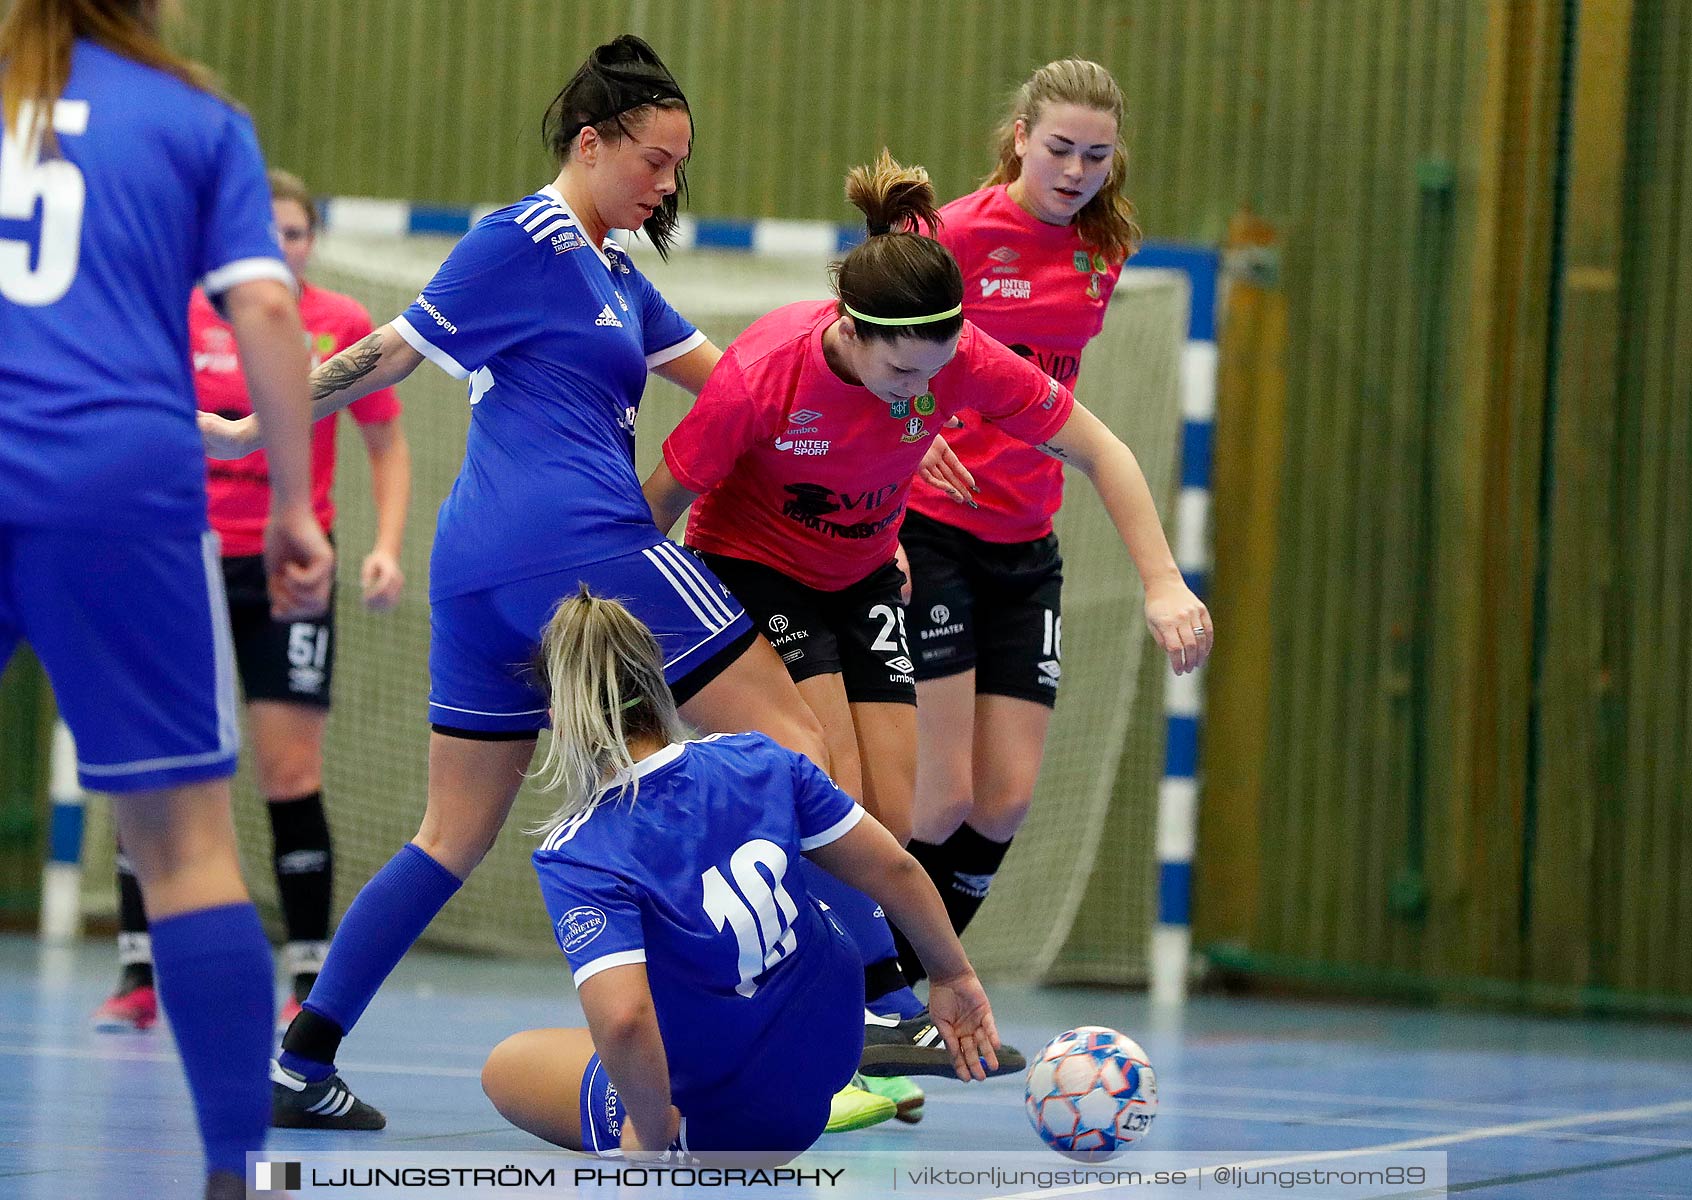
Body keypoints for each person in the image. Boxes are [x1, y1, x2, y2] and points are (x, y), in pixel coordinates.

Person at [198, 35, 946, 1133]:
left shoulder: (617, 279)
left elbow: (742, 389)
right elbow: (392, 352)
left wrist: (882, 430)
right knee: (802, 752)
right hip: (581, 545)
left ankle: (303, 1058)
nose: (668, 184)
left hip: (483, 574)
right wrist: (242, 426)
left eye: (680, 165)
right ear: (589, 144)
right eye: (652, 160)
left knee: (448, 835)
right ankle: (881, 1004)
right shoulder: (524, 239)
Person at [644, 149, 1212, 1120]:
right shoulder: (760, 378)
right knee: (829, 784)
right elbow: (654, 509)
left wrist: (1164, 580)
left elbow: (1098, 447)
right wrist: (602, 640)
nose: (924, 388)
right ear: (850, 333)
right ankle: (880, 1008)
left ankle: (846, 1013)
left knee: (898, 818)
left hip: (863, 571)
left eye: (940, 366)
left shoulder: (955, 358)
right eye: (904, 370)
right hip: (753, 571)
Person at [0, 2, 333, 1196]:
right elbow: (267, 308)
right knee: (187, 848)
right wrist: (294, 504)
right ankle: (231, 1173)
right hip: (118, 479)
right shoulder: (196, 118)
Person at [480, 588, 1002, 1160]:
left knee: (508, 1066)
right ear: (660, 681)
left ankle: (668, 1118)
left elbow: (626, 1018)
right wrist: (951, 975)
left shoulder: (581, 849)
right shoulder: (759, 759)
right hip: (826, 1060)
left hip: (730, 1126)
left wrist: (650, 1135)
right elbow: (896, 870)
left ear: (558, 719)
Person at [93, 168, 413, 1034]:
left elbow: (385, 445)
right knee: (159, 762)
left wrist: (383, 547)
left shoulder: (340, 326)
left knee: (288, 772)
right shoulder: (177, 313)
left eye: (296, 231)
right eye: (263, 227)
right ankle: (137, 968)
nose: (279, 243)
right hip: (177, 563)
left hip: (287, 570)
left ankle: (306, 975)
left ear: (313, 242)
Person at [893, 59, 1183, 983]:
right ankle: (868, 987)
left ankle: (905, 985)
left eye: (1097, 155)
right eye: (1059, 148)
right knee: (938, 799)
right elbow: (853, 341)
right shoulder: (955, 236)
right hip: (930, 530)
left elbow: (1075, 420)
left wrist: (1163, 581)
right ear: (1020, 136)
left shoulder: (1106, 251)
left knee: (1005, 801)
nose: (1076, 170)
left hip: (1025, 542)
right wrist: (907, 433)